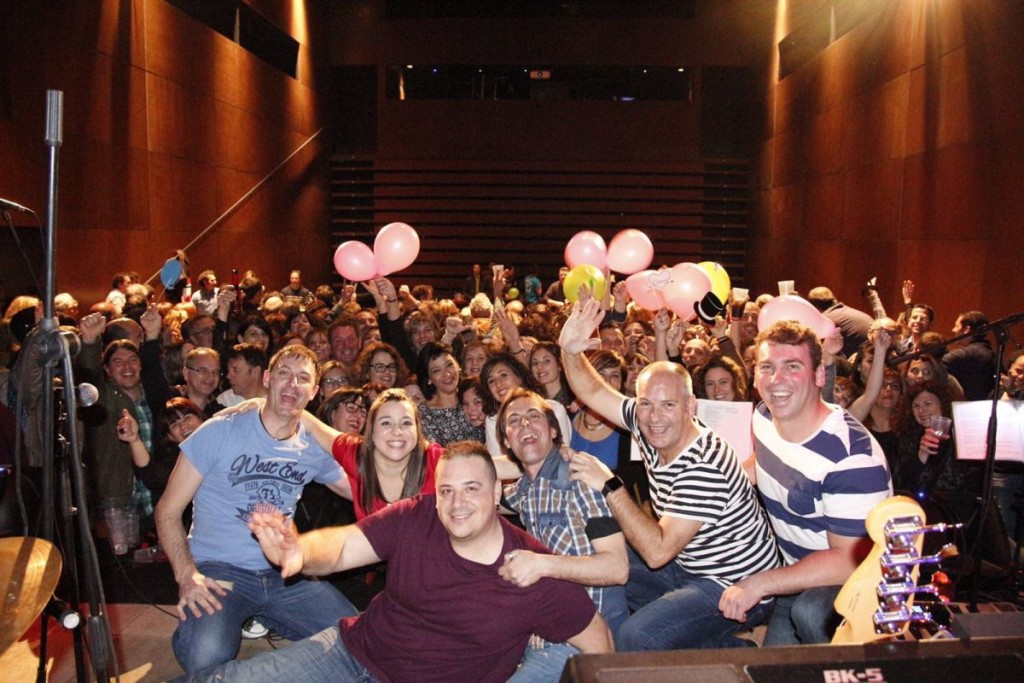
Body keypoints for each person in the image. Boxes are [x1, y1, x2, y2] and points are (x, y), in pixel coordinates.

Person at [184, 441, 612, 683]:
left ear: (497, 494)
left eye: (471, 489)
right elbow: (345, 546)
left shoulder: (533, 569)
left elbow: (598, 645)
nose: (456, 503)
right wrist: (300, 552)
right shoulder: (415, 514)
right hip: (353, 653)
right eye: (446, 490)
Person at [559, 299, 780, 651]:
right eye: (645, 404)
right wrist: (569, 351)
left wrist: (610, 484)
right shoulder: (647, 420)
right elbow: (594, 391)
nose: (654, 417)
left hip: (735, 583)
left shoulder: (704, 463)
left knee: (638, 636)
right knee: (598, 558)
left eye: (668, 405)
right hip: (686, 562)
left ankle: (732, 651)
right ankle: (698, 637)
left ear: (690, 407)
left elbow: (657, 552)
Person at [154, 345, 358, 674]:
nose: (292, 385)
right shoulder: (219, 430)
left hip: (282, 570)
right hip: (220, 570)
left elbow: (360, 491)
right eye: (284, 375)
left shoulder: (311, 445)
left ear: (314, 391)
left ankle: (265, 618)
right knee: (204, 658)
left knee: (358, 636)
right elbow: (166, 511)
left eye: (303, 379)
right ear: (267, 379)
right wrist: (187, 576)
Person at [719, 320, 892, 646]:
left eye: (792, 366)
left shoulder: (851, 457)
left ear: (819, 376)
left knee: (811, 613)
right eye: (766, 367)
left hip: (849, 583)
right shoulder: (764, 417)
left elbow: (849, 560)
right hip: (795, 573)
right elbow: (763, 464)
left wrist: (759, 584)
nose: (776, 379)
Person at [497, 389, 628, 680]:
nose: (525, 425)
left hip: (588, 638)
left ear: (554, 431)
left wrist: (541, 564)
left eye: (534, 417)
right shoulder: (525, 488)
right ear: (506, 440)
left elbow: (617, 568)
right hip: (545, 628)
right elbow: (493, 491)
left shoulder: (580, 477)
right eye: (514, 421)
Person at [416, 343, 482, 446]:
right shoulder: (424, 414)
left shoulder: (473, 396)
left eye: (449, 365)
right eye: (437, 371)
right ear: (429, 378)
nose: (447, 374)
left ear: (457, 365)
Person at [942, 310, 996, 400]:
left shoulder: (963, 355)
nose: (953, 330)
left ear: (966, 329)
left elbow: (935, 367)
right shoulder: (993, 354)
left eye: (956, 326)